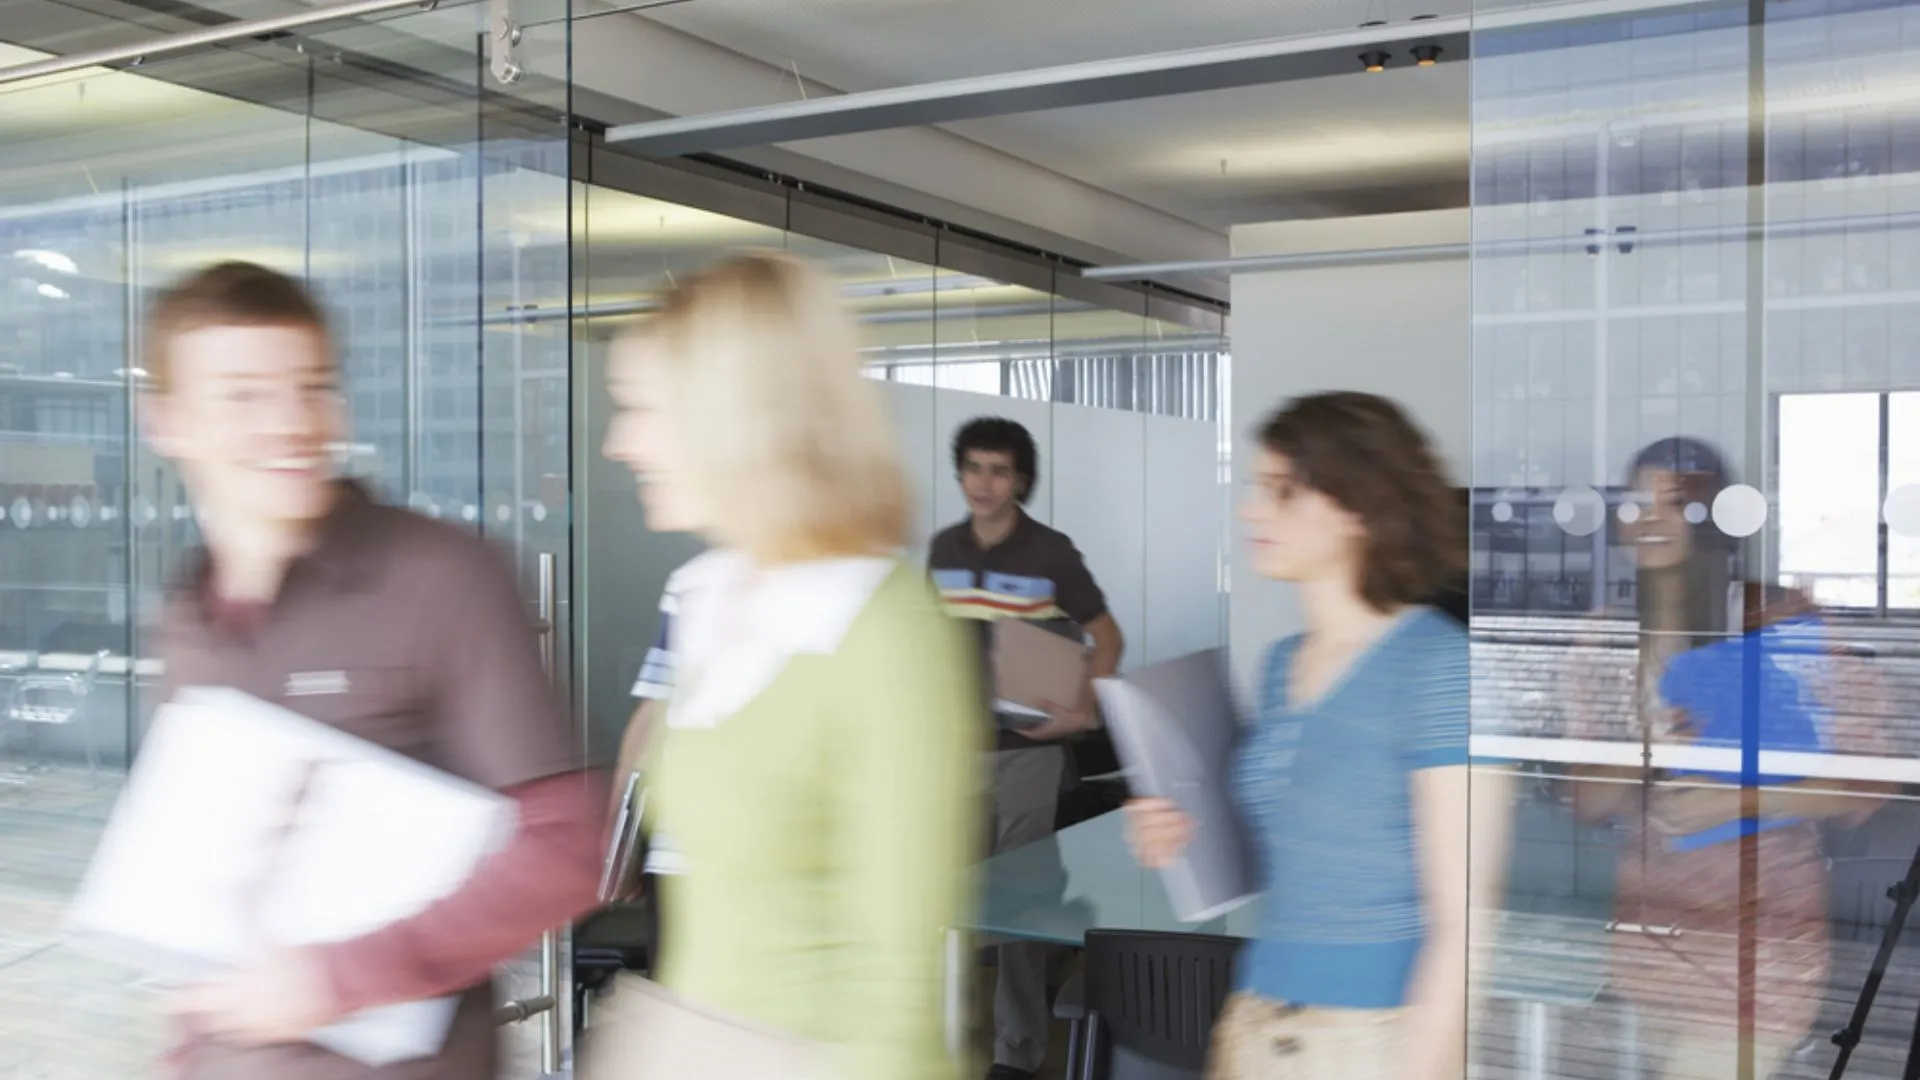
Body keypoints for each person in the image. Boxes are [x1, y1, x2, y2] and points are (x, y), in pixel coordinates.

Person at [142, 261, 605, 1079]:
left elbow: (568, 845)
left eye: (313, 385)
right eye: (245, 395)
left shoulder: (444, 576)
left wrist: (337, 977)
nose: (292, 422)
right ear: (168, 421)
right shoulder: (187, 615)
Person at [596, 250, 980, 1080]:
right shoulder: (707, 594)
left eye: (643, 409)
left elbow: (896, 987)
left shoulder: (882, 628)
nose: (619, 442)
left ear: (733, 416)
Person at [1125, 391, 1511, 1080]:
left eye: (1283, 492)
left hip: (1372, 1042)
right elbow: (1301, 856)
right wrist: (1183, 835)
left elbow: (1465, 930)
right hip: (1255, 1018)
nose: (1252, 509)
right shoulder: (1279, 665)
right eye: (1257, 489)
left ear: (1358, 509)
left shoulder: (1440, 669)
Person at [1564, 436, 1894, 1079]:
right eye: (1637, 503)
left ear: (1718, 521)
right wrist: (1648, 748)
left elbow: (1867, 782)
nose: (1651, 519)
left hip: (1759, 947)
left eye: (1677, 505)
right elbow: (1587, 802)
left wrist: (1738, 799)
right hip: (1644, 943)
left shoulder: (1778, 621)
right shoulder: (1604, 637)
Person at [926, 417, 1124, 1080]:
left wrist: (1082, 714)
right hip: (954, 749)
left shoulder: (1050, 554)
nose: (985, 483)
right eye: (974, 468)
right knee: (950, 898)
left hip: (1026, 752)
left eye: (999, 471)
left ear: (1021, 481)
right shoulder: (944, 551)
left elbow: (1106, 638)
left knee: (1017, 903)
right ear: (960, 474)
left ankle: (1016, 1051)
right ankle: (950, 1042)